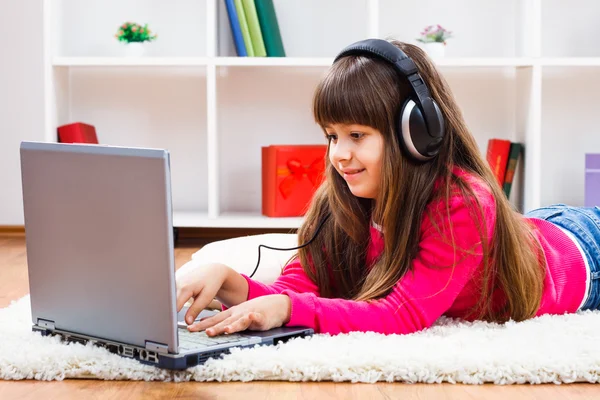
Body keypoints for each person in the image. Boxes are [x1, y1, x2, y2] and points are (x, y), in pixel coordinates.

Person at [176, 38, 597, 337]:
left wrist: (288, 309)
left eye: (357, 135)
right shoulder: (343, 196)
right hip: (536, 227)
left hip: (583, 253)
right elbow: (297, 291)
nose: (339, 154)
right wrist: (230, 282)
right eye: (331, 136)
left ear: (417, 133)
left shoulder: (462, 203)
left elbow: (404, 314)